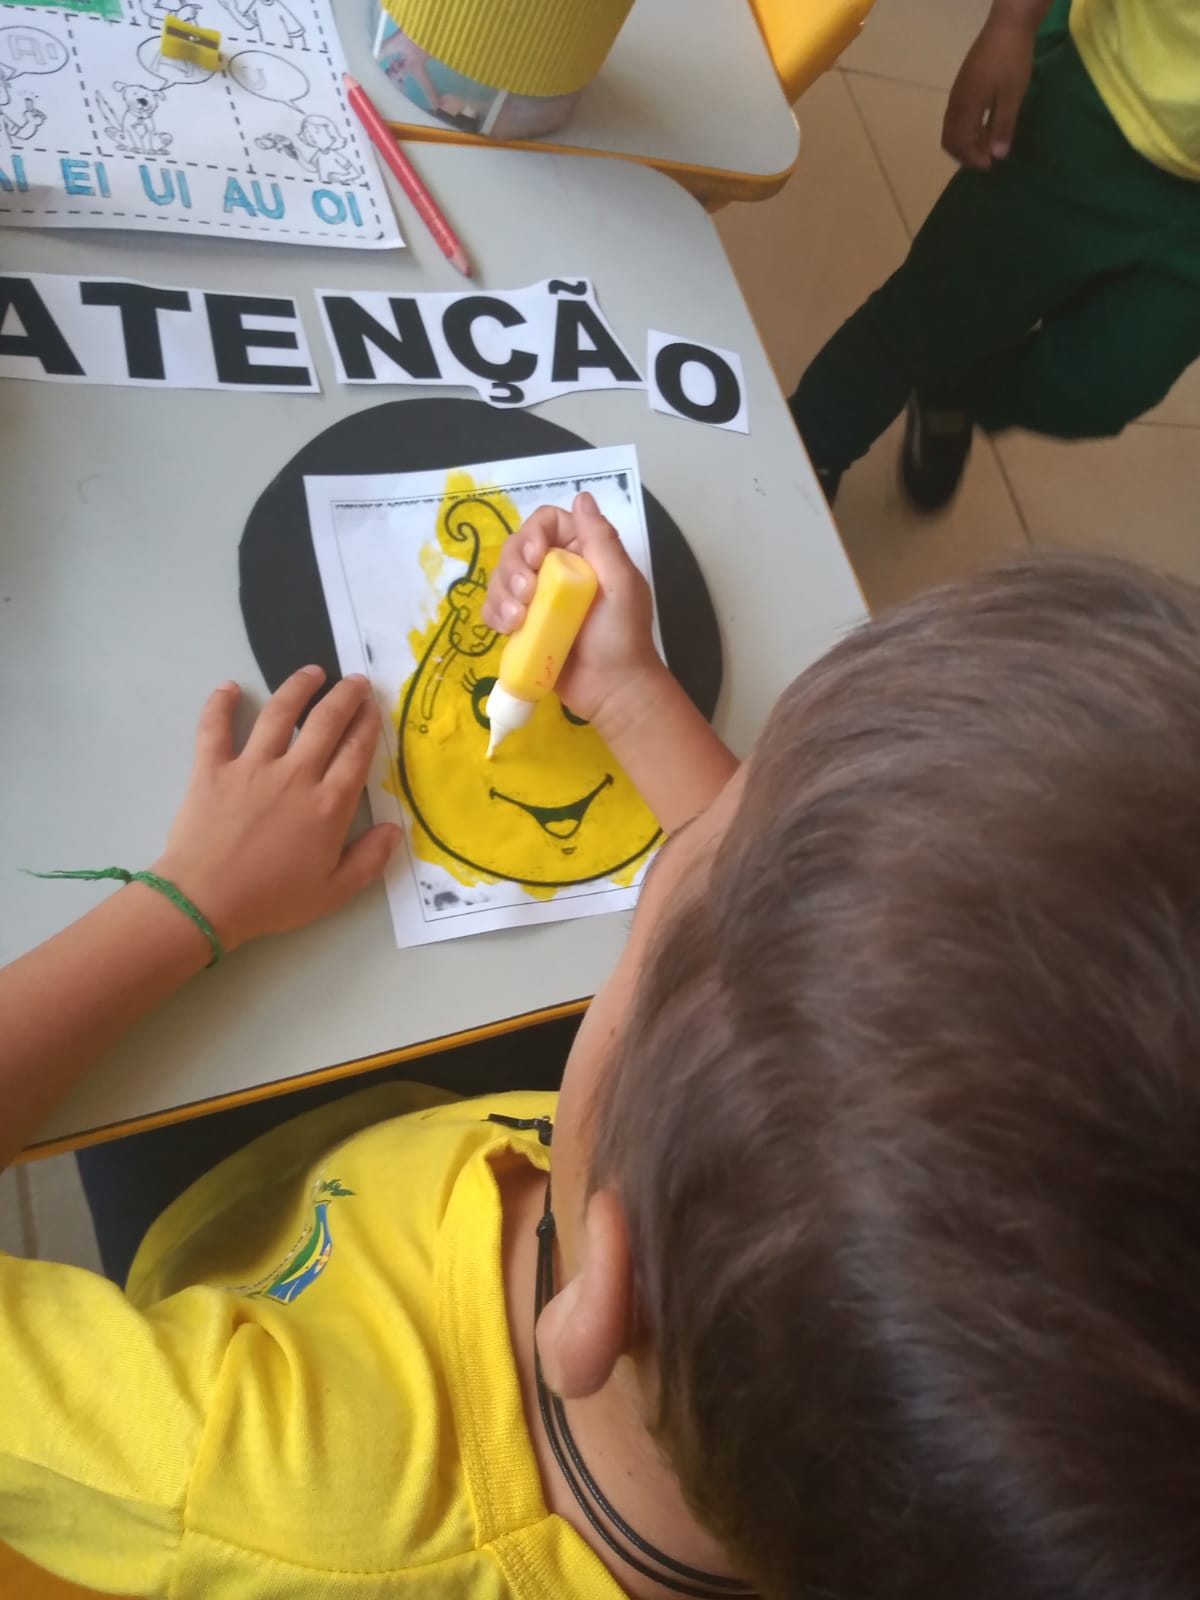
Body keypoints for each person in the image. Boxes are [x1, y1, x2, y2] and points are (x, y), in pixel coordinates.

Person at [6, 499, 1200, 1599]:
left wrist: (194, 899)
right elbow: (774, 957)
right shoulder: (913, 1487)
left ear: (603, 1290)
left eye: (664, 916)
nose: (701, 831)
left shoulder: (244, 1462)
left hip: (254, 1242)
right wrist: (629, 694)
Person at [789, 0, 1200, 509]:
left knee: (1101, 388)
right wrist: (1012, 25)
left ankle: (951, 387)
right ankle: (810, 446)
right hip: (1100, 101)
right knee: (935, 309)